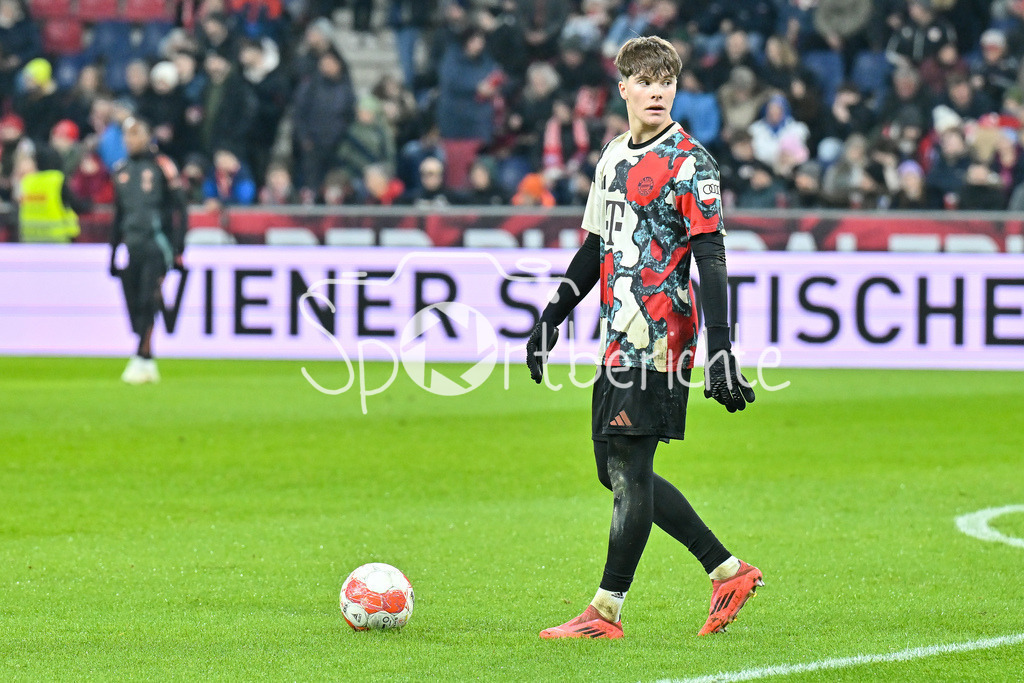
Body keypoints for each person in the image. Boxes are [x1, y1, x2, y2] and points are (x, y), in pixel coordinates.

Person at [525, 35, 760, 641]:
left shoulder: (690, 162)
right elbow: (595, 247)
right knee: (616, 470)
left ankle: (605, 611)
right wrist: (551, 315)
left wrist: (721, 349)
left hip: (660, 337)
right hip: (615, 336)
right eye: (645, 80)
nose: (657, 91)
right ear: (623, 87)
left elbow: (711, 259)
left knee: (629, 466)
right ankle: (726, 570)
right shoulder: (610, 157)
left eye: (667, 81)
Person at [108, 117, 188, 385]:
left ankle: (139, 358)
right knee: (134, 306)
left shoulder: (162, 166)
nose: (131, 140)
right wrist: (112, 253)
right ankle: (148, 359)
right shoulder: (120, 170)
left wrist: (179, 249)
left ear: (148, 136)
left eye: (136, 134)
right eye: (127, 136)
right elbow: (118, 215)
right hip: (132, 246)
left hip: (157, 244)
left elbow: (180, 209)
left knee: (148, 299)